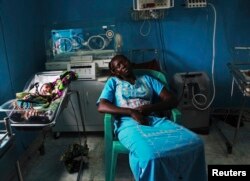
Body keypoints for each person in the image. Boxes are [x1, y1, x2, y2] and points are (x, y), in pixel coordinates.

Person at [97, 55, 207, 181]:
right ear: (115, 72)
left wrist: (150, 108)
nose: (123, 66)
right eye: (118, 66)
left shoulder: (148, 79)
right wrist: (131, 112)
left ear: (130, 62)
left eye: (124, 62)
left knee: (195, 143)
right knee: (151, 156)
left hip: (154, 120)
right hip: (128, 124)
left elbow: (172, 100)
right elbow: (102, 105)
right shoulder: (113, 82)